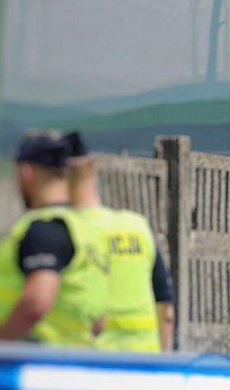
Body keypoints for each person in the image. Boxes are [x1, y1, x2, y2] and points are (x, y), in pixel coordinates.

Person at [0, 130, 109, 345]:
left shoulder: (44, 228)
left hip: (34, 360)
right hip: (70, 358)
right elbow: (100, 316)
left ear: (26, 172)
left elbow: (37, 300)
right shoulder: (84, 228)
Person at [70, 149, 174, 351]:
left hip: (93, 361)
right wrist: (165, 362)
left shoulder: (75, 229)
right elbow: (166, 311)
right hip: (145, 363)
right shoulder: (139, 228)